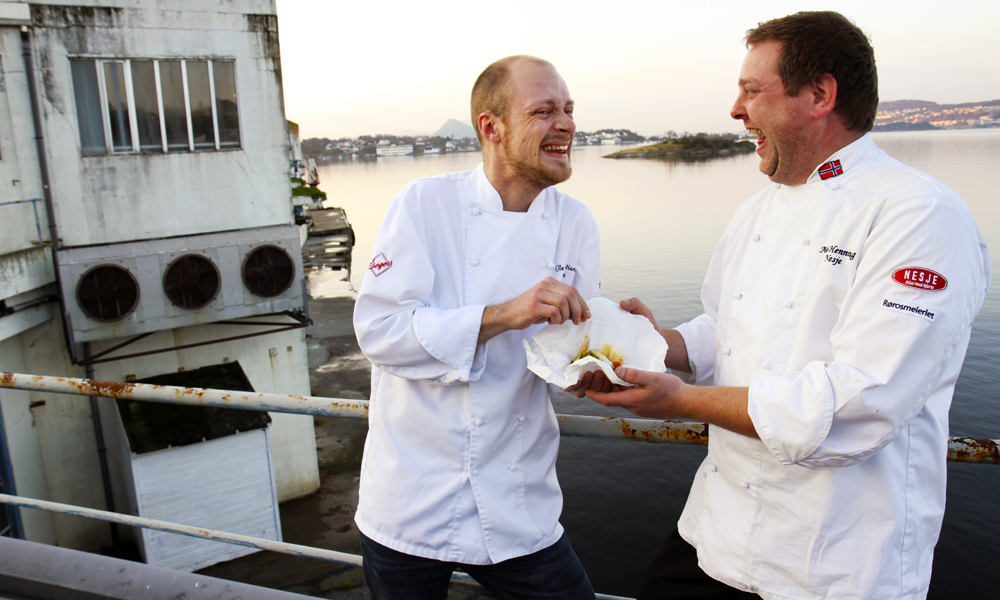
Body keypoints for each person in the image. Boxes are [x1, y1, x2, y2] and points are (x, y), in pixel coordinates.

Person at [583, 11, 991, 600]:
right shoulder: (757, 211)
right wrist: (654, 343)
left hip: (834, 564)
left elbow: (864, 402)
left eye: (752, 90)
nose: (734, 110)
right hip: (714, 538)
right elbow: (726, 328)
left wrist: (682, 402)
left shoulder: (919, 216)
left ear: (821, 94)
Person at [352, 55, 599, 599]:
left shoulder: (575, 222)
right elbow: (380, 334)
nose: (566, 124)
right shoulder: (422, 206)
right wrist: (507, 314)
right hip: (411, 502)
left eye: (569, 109)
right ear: (492, 126)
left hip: (519, 496)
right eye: (543, 110)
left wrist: (607, 355)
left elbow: (569, 355)